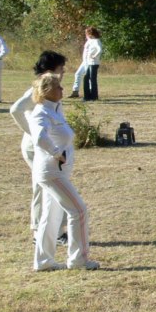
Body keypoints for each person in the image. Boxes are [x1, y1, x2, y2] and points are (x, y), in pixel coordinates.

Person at [28, 73, 100, 271]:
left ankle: (43, 262)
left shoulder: (56, 109)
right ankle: (78, 260)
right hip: (51, 172)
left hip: (58, 171)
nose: (62, 89)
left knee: (51, 215)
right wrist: (56, 153)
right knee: (78, 210)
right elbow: (40, 138)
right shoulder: (41, 112)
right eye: (57, 86)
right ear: (47, 91)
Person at [10, 51, 69, 244]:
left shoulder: (53, 88)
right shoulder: (39, 89)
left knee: (52, 186)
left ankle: (55, 231)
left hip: (48, 145)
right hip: (38, 147)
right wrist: (32, 133)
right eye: (61, 68)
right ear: (51, 70)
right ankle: (40, 233)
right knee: (43, 187)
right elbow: (16, 109)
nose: (64, 72)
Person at [81, 26, 102, 101]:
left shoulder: (96, 41)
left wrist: (94, 55)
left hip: (94, 63)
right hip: (89, 62)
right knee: (86, 78)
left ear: (91, 34)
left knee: (92, 79)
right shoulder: (90, 41)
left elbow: (100, 50)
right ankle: (87, 96)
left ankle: (94, 96)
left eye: (87, 33)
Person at [69, 31, 87, 98]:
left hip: (90, 62)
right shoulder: (89, 41)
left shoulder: (94, 41)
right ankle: (75, 91)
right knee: (78, 74)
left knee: (89, 77)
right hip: (85, 61)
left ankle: (90, 92)